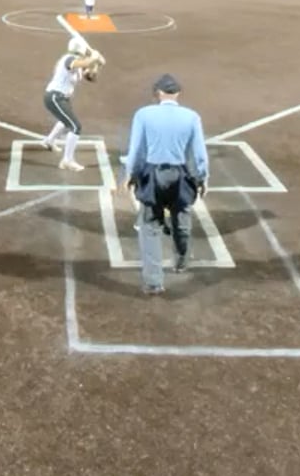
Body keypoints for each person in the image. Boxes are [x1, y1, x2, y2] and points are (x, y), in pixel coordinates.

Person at [119, 74, 208, 295]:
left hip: (153, 174)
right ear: (177, 93)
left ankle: (153, 282)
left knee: (149, 226)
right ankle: (181, 261)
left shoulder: (143, 114)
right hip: (180, 175)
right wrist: (202, 178)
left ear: (158, 93)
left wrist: (131, 175)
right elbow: (199, 154)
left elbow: (136, 150)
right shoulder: (192, 117)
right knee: (182, 220)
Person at [39, 37, 105, 171]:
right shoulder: (69, 59)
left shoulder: (77, 63)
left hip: (62, 98)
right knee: (75, 126)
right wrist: (94, 57)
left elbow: (90, 77)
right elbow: (86, 62)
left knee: (65, 121)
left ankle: (49, 141)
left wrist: (97, 64)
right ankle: (67, 161)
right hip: (54, 97)